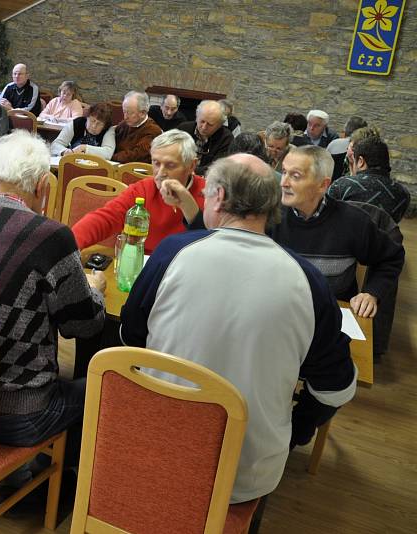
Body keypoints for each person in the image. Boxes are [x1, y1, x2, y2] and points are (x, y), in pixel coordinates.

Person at [120, 153, 357, 503]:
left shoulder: (173, 252)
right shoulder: (308, 281)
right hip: (245, 474)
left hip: (151, 451)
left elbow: (129, 341)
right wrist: (295, 432)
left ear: (218, 197)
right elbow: (334, 389)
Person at [0, 129, 105, 462]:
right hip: (20, 414)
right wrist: (95, 293)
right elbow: (82, 326)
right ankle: (53, 486)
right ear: (43, 185)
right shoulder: (52, 237)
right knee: (108, 387)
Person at [271, 145, 404, 318]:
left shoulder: (353, 222)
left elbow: (391, 257)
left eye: (295, 176)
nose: (283, 182)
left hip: (331, 313)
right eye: (284, 172)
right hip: (279, 311)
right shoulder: (269, 217)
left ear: (323, 185)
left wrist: (371, 293)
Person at [72, 129, 206, 254]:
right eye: (156, 163)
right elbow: (106, 218)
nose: (160, 173)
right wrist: (68, 247)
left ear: (191, 166)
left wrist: (187, 204)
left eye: (170, 165)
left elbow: (214, 241)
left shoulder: (209, 193)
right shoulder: (144, 188)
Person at [328, 134, 411, 223]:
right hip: (383, 237)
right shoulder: (403, 194)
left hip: (346, 236)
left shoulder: (341, 185)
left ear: (360, 161)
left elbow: (324, 217)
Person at [178, 100, 233, 175]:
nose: (204, 127)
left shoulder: (226, 138)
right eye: (202, 121)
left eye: (210, 124)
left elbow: (218, 166)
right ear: (196, 117)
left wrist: (191, 172)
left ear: (219, 125)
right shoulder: (183, 129)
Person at [49, 102, 116, 159]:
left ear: (104, 126)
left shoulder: (109, 130)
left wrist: (84, 148)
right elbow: (55, 144)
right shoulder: (77, 123)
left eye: (99, 124)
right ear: (87, 117)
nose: (94, 126)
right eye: (92, 121)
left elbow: (108, 153)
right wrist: (64, 151)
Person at [112, 91, 162, 164]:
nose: (125, 117)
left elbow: (134, 156)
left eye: (130, 113)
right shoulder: (125, 124)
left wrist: (109, 155)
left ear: (143, 113)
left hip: (136, 172)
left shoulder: (153, 131)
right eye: (124, 111)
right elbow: (112, 133)